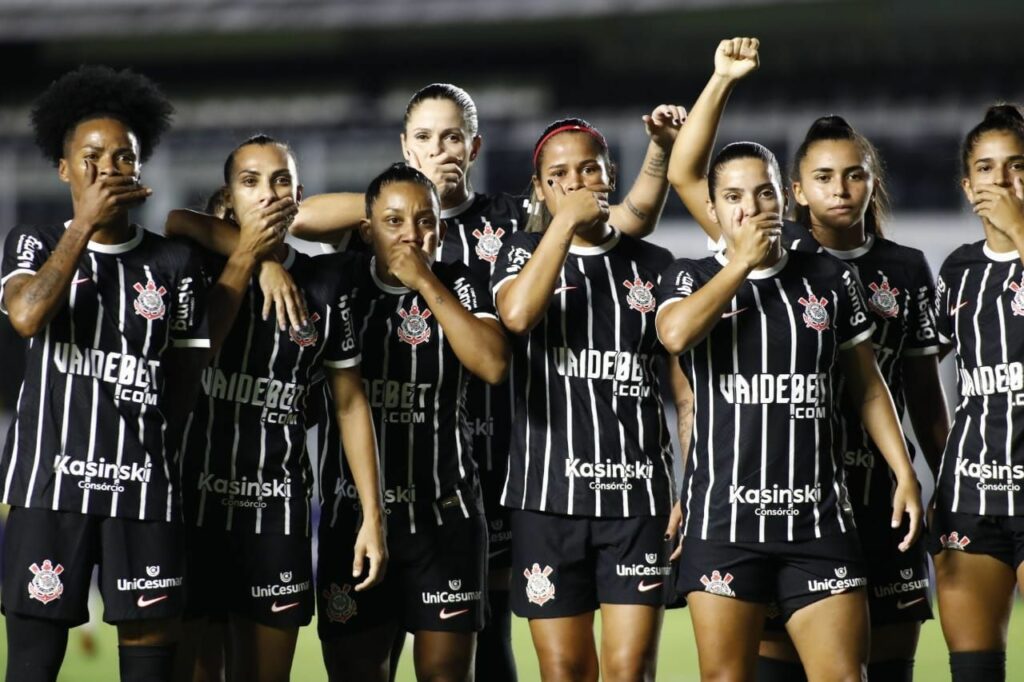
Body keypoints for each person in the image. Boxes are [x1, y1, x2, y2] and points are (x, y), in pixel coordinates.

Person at [666, 37, 949, 682]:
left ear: (780, 198)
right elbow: (676, 334)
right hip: (728, 519)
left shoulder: (834, 277)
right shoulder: (694, 276)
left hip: (827, 513)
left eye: (762, 195)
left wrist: (909, 473)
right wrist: (721, 80)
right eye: (735, 198)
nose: (751, 209)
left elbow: (877, 388)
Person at [0, 65, 207, 682]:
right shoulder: (32, 242)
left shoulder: (174, 264)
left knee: (148, 670)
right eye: (92, 157)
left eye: (124, 156)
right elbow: (29, 316)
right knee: (32, 668)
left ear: (141, 168)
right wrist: (84, 225)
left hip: (142, 495)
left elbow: (187, 379)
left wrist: (152, 453)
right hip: (49, 489)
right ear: (64, 169)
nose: (110, 168)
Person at [164, 135, 387, 682]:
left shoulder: (327, 284)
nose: (267, 193)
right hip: (194, 508)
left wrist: (373, 518)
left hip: (277, 514)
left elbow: (351, 404)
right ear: (229, 197)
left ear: (298, 197)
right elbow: (175, 220)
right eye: (250, 182)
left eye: (280, 181)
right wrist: (257, 258)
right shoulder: (197, 266)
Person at [492, 117, 679, 682]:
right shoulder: (517, 251)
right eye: (559, 175)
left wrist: (690, 483)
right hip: (546, 498)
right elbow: (519, 316)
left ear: (609, 175)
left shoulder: (657, 266)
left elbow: (685, 395)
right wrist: (564, 226)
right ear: (541, 188)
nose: (575, 183)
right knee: (566, 669)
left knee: (628, 670)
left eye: (588, 170)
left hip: (637, 498)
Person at [315, 162, 509, 682]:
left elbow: (492, 363)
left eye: (425, 221)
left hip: (445, 520)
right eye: (393, 221)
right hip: (352, 520)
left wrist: (423, 279)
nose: (411, 234)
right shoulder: (340, 283)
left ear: (442, 230)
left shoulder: (461, 282)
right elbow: (294, 220)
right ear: (366, 230)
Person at [929, 103, 1024, 682]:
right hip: (971, 494)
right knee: (974, 672)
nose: (1002, 181)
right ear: (968, 186)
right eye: (987, 169)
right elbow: (906, 371)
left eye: (1017, 166)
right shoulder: (959, 272)